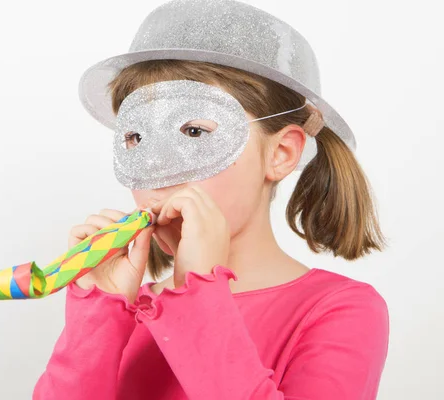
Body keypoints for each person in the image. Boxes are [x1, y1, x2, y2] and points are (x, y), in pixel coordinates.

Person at [33, 1, 389, 399]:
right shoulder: (124, 312)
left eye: (195, 133)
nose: (158, 171)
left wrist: (199, 295)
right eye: (136, 139)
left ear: (282, 153)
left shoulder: (340, 311)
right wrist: (97, 317)